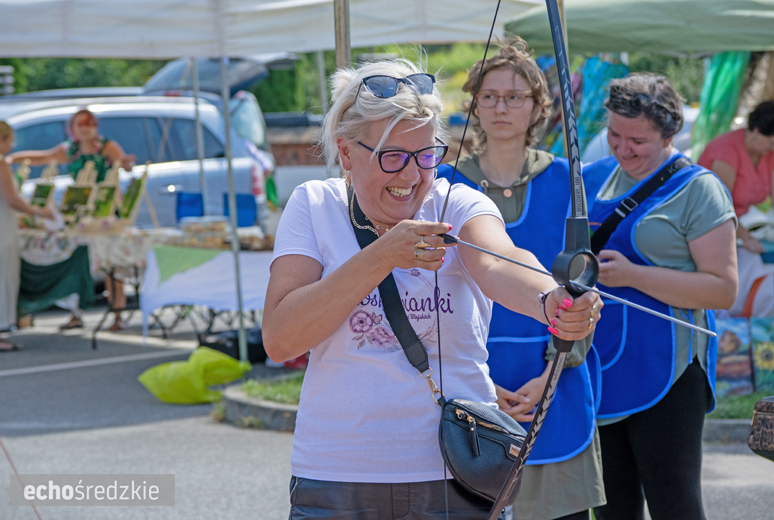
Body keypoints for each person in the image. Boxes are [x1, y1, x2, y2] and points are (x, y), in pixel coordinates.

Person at [262, 58, 601, 520]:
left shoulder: (457, 201)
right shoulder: (314, 205)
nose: (410, 176)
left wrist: (552, 299)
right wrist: (380, 256)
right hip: (338, 476)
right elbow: (281, 337)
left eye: (425, 156)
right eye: (392, 158)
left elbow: (500, 262)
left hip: (460, 475)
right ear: (345, 154)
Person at [436, 38, 605, 520]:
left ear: (537, 107)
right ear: (473, 105)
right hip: (468, 378)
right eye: (488, 96)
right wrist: (481, 382)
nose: (500, 107)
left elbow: (581, 284)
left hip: (554, 374)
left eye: (514, 96)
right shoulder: (444, 186)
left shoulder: (570, 183)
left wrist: (553, 372)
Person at [583, 74, 738, 520]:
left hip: (668, 375)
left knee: (676, 505)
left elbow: (723, 289)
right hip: (599, 367)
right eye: (613, 135)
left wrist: (634, 275)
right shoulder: (590, 180)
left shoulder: (698, 189)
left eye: (638, 140)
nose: (622, 148)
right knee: (612, 510)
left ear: (669, 134)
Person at [9, 109, 135, 331]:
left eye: (89, 123)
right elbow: (44, 157)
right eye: (80, 124)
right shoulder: (71, 149)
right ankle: (76, 312)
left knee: (111, 261)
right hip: (80, 210)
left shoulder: (106, 147)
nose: (85, 128)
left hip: (104, 210)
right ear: (72, 128)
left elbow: (122, 164)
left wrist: (125, 164)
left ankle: (117, 313)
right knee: (76, 259)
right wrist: (10, 158)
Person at [0, 121, 55, 351]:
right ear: (0, 139)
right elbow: (11, 198)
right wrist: (39, 212)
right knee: (1, 274)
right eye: (10, 140)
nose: (11, 145)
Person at [697, 100, 774, 253]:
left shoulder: (767, 153)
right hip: (704, 228)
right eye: (772, 142)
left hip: (736, 226)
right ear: (757, 132)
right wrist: (746, 238)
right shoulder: (726, 149)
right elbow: (719, 207)